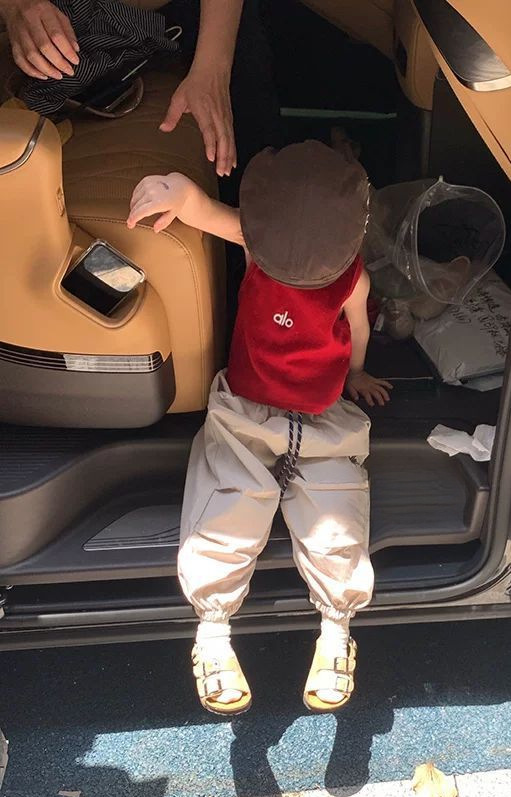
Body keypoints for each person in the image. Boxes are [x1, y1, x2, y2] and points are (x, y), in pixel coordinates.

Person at [126, 140, 392, 716]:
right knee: (229, 504)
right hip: (248, 410)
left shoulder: (350, 279)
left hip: (322, 416)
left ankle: (336, 630)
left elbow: (358, 331)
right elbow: (203, 212)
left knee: (336, 512)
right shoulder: (259, 248)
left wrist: (357, 375)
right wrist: (178, 192)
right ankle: (213, 631)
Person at [0, 0, 281, 180]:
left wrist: (213, 70)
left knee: (249, 131)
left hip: (187, 10)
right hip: (56, 18)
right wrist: (17, 5)